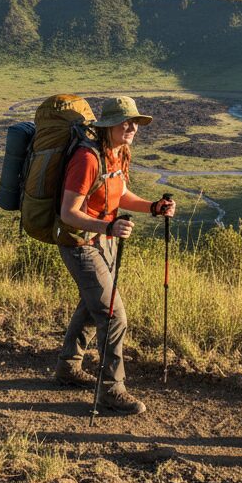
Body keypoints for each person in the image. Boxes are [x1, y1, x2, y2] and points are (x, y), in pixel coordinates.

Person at [54, 96, 175, 416]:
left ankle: (68, 366)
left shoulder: (118, 154)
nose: (132, 127)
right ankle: (111, 389)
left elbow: (119, 194)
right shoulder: (88, 158)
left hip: (101, 239)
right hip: (79, 243)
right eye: (126, 121)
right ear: (108, 125)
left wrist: (152, 207)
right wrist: (107, 227)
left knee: (93, 305)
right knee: (112, 313)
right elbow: (68, 213)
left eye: (135, 122)